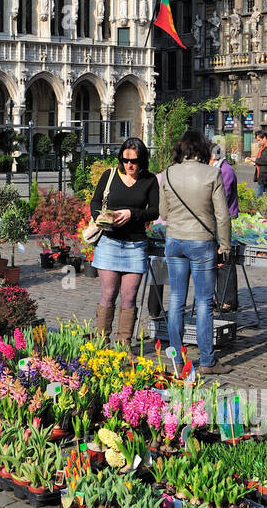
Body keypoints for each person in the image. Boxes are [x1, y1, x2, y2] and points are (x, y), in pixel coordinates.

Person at [162, 130, 233, 375]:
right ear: (203, 149)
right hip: (202, 242)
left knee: (176, 300)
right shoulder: (212, 174)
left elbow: (163, 210)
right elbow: (222, 215)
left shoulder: (169, 173)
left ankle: (177, 358)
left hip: (174, 240)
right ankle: (207, 361)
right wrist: (225, 245)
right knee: (203, 303)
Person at [90, 138, 160, 346]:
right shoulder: (110, 175)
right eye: (125, 160)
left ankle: (124, 345)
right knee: (108, 294)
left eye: (135, 161)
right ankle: (102, 344)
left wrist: (133, 214)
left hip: (135, 245)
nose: (129, 165)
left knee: (129, 298)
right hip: (109, 242)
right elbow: (95, 201)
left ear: (142, 160)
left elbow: (154, 211)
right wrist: (100, 218)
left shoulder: (149, 180)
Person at [210, 146, 239, 312]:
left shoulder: (225, 171)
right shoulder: (216, 169)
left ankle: (227, 300)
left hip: (223, 220)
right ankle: (220, 298)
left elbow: (223, 197)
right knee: (218, 261)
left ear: (213, 156)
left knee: (225, 259)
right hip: (217, 220)